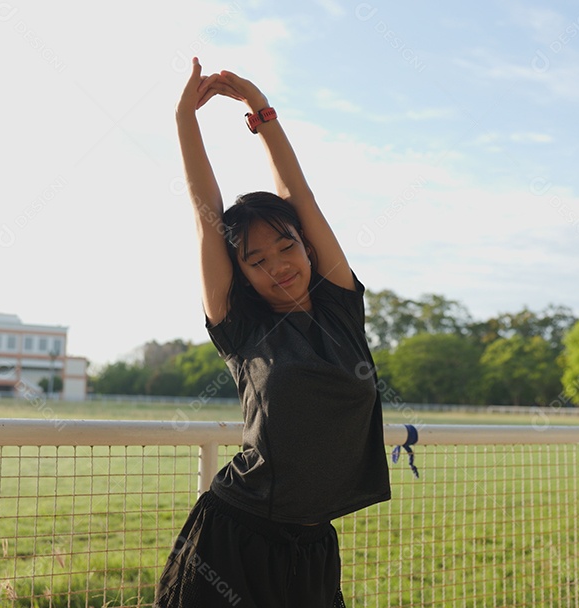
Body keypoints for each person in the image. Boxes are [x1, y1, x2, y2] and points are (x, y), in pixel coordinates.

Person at [154, 58, 391, 608]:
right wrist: (185, 119)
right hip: (235, 536)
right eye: (257, 260)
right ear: (242, 275)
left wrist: (261, 110)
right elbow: (203, 209)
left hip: (312, 544)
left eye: (287, 247)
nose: (279, 264)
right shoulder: (242, 328)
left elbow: (301, 197)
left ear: (306, 247)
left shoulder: (341, 309)